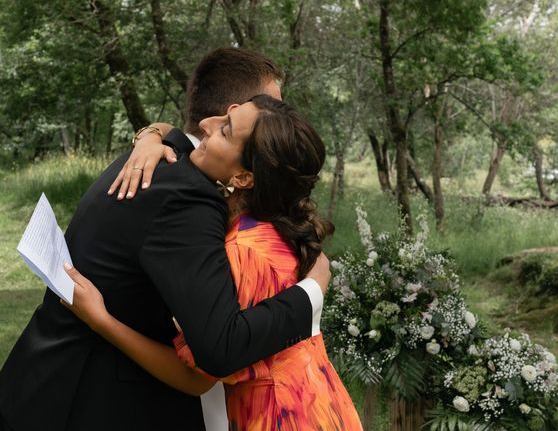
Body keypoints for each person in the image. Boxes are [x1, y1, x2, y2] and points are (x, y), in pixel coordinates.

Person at [0, 48, 329, 431]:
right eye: (269, 105)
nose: (280, 119)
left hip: (46, 379)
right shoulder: (186, 197)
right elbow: (219, 349)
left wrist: (151, 133)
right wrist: (311, 293)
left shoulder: (161, 157)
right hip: (80, 401)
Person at [64, 95, 363, 430]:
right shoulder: (268, 227)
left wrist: (101, 319)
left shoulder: (243, 250)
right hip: (318, 401)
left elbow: (200, 377)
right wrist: (151, 135)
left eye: (225, 130)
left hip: (281, 414)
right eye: (224, 115)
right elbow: (177, 132)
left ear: (245, 178)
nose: (206, 124)